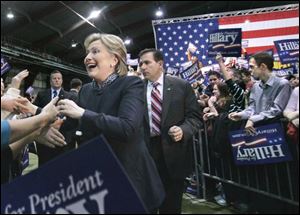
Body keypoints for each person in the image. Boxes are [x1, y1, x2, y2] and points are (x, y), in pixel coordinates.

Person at [57, 33, 165, 212]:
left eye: (95, 51)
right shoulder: (85, 90)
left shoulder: (131, 84)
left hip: (129, 180)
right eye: (87, 53)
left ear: (114, 60)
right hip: (97, 180)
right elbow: (73, 126)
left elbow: (126, 127)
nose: (87, 57)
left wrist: (83, 113)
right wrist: (38, 116)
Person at [138, 48, 202, 214]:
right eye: (140, 64)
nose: (143, 67)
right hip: (146, 154)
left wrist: (183, 130)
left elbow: (195, 118)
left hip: (174, 153)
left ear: (160, 64)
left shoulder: (181, 86)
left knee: (171, 206)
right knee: (147, 204)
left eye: (147, 62)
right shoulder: (136, 89)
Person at [228, 52, 292, 135]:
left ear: (262, 66)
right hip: (258, 130)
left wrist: (252, 119)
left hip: (277, 131)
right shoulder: (255, 86)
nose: (250, 70)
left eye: (252, 67)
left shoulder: (283, 84)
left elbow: (276, 110)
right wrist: (240, 114)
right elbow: (252, 108)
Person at [33, 70, 77, 166]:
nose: (57, 80)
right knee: (45, 166)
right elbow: (35, 112)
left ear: (61, 81)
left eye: (59, 78)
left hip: (64, 139)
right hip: (45, 138)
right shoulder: (41, 95)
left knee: (63, 167)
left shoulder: (70, 96)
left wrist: (60, 124)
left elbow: (73, 119)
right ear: (50, 81)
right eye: (54, 78)